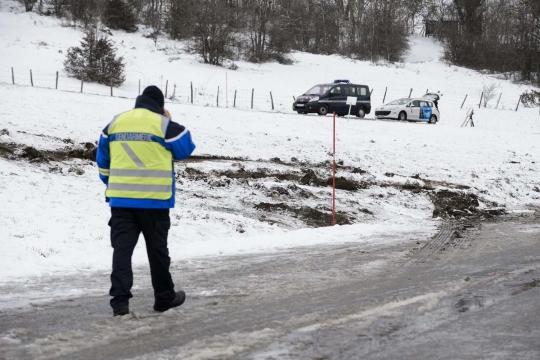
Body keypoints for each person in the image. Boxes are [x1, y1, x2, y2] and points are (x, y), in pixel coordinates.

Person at [96, 86, 196, 316]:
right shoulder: (163, 124)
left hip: (121, 202)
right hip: (154, 202)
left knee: (122, 251)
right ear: (160, 106)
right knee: (157, 251)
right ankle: (164, 298)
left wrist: (113, 184)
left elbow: (103, 161)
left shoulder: (114, 123)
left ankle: (120, 303)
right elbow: (185, 149)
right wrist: (168, 119)